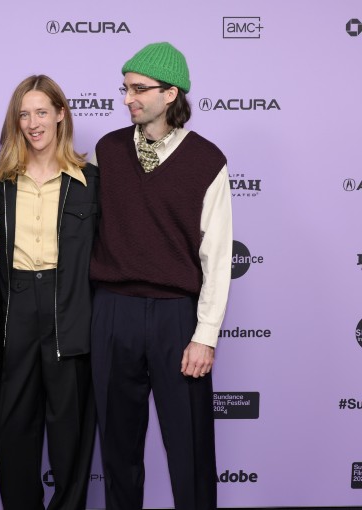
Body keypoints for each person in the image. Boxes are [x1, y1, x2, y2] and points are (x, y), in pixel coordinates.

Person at [90, 42, 233, 510]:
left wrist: (205, 335)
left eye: (139, 89)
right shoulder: (106, 152)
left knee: (190, 448)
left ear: (170, 94)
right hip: (112, 312)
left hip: (177, 319)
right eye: (125, 88)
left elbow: (216, 255)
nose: (128, 98)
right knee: (117, 450)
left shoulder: (208, 160)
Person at [0, 75, 98, 510]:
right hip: (12, 310)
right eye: (24, 114)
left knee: (70, 433)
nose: (33, 123)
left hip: (68, 310)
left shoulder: (90, 181)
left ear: (60, 114)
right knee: (13, 430)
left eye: (41, 112)